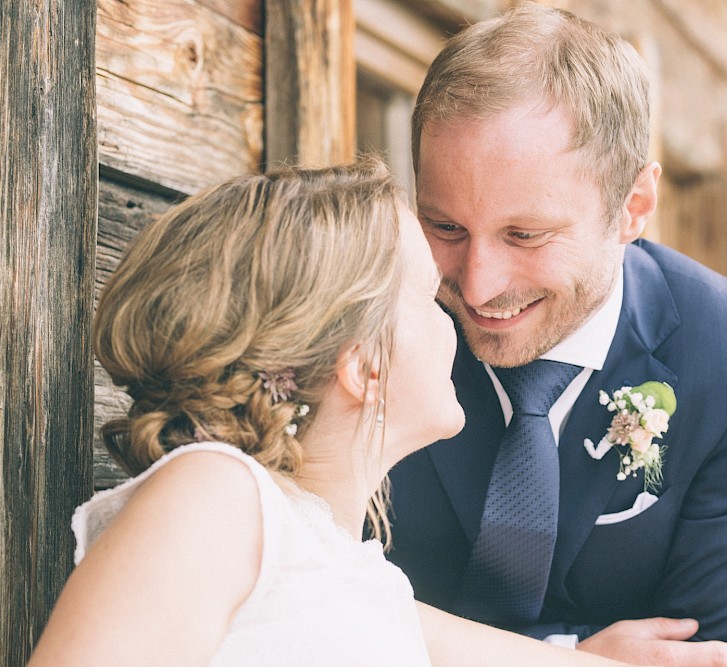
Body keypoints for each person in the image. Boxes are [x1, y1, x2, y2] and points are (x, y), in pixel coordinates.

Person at [29, 160, 647, 666]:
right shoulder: (215, 496)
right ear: (362, 367)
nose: (459, 313)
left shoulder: (356, 571)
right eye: (428, 297)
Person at [385, 4, 727, 667]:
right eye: (445, 227)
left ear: (633, 206)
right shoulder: (367, 318)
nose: (477, 282)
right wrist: (575, 658)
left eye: (525, 235)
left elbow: (725, 656)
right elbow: (314, 608)